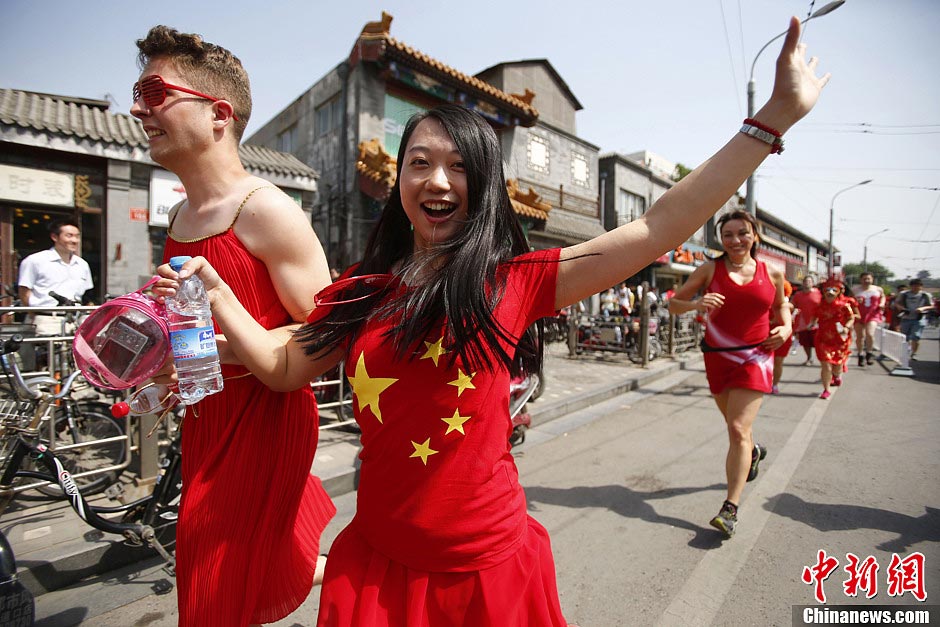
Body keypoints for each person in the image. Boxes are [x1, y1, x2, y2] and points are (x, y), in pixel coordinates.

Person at [157, 17, 826, 622]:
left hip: (486, 570)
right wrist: (217, 294)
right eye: (419, 163)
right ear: (399, 182)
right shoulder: (359, 292)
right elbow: (279, 367)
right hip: (378, 566)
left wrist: (771, 120)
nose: (437, 181)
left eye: (459, 166)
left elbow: (657, 224)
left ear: (483, 187)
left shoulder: (512, 283)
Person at [131, 26, 335, 626]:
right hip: (205, 420)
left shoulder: (266, 208)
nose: (140, 108)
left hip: (261, 424)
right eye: (139, 92)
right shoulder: (179, 214)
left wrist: (216, 347)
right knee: (232, 575)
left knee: (211, 584)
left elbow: (323, 332)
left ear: (218, 113)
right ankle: (361, 568)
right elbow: (188, 323)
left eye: (155, 92)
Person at [667, 210, 790, 538]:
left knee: (737, 429)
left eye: (742, 233)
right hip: (717, 357)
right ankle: (754, 451)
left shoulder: (772, 273)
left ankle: (730, 508)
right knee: (738, 430)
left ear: (755, 235)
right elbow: (673, 305)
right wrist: (697, 304)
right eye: (729, 235)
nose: (735, 240)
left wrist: (786, 326)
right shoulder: (709, 269)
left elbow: (780, 307)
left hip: (756, 357)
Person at [17, 218, 93, 336]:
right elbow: (24, 290)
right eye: (69, 235)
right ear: (54, 237)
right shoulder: (35, 260)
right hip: (47, 320)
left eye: (77, 236)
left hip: (75, 321)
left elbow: (87, 296)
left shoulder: (82, 264)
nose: (74, 240)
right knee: (48, 353)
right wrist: (33, 313)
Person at [812, 278, 856, 399]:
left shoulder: (844, 306)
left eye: (833, 291)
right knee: (826, 364)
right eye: (827, 291)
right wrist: (811, 324)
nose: (830, 293)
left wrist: (847, 327)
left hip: (839, 339)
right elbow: (814, 318)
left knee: (837, 365)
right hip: (822, 338)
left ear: (838, 292)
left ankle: (837, 376)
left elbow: (852, 318)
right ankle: (826, 389)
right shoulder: (819, 306)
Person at [851, 272, 885, 367]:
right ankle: (860, 354)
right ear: (861, 280)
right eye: (864, 279)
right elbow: (849, 300)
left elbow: (883, 297)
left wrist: (882, 303)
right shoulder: (855, 289)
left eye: (868, 279)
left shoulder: (878, 289)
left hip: (872, 314)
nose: (866, 281)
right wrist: (855, 301)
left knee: (870, 334)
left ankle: (869, 354)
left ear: (872, 279)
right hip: (859, 314)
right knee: (860, 336)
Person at [896, 278, 933, 359]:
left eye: (917, 286)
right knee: (905, 337)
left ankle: (914, 353)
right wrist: (902, 308)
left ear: (921, 286)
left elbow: (931, 306)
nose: (915, 287)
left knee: (916, 336)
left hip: (919, 318)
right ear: (910, 286)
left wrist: (922, 308)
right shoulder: (904, 294)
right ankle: (905, 352)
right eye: (913, 285)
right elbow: (897, 303)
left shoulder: (925, 295)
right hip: (906, 317)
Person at [771, 280, 796, 394]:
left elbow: (788, 307)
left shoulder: (786, 304)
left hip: (781, 336)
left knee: (778, 361)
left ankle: (774, 384)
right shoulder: (765, 301)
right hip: (764, 334)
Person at [790, 275, 821, 365]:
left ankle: (823, 359)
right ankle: (809, 358)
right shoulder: (798, 295)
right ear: (803, 283)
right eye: (805, 281)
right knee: (805, 342)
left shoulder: (818, 293)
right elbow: (792, 305)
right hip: (802, 322)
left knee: (817, 342)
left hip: (816, 321)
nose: (807, 283)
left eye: (809, 281)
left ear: (812, 283)